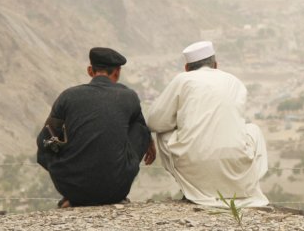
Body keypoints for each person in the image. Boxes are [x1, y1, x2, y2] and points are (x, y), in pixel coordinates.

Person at [147, 41, 269, 207]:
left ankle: (191, 189)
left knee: (163, 133)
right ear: (216, 65)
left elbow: (155, 122)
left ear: (187, 68)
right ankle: (243, 188)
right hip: (235, 163)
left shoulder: (183, 79)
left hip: (193, 162)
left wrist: (180, 123)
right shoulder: (234, 81)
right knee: (253, 130)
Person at [36, 47, 156, 207]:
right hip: (116, 190)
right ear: (117, 72)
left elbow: (44, 139)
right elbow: (141, 131)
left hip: (72, 189)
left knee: (47, 140)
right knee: (139, 128)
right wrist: (149, 141)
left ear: (90, 70)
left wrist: (58, 166)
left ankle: (75, 196)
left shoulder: (68, 96)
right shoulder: (128, 96)